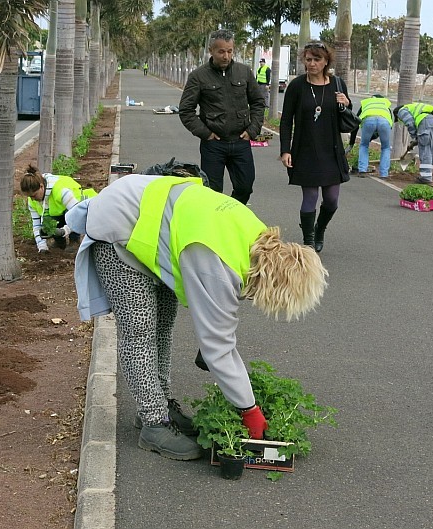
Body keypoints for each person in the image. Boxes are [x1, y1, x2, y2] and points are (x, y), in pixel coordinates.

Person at [65, 174, 328, 461]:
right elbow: (218, 343)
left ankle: (160, 403)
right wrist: (249, 410)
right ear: (274, 282)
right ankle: (153, 424)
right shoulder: (214, 263)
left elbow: (222, 308)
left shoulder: (256, 236)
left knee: (163, 325)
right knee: (139, 331)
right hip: (119, 225)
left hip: (158, 225)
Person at [179, 29, 265, 205]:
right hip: (213, 145)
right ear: (211, 50)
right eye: (221, 51)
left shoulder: (244, 72)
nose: (226, 56)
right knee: (212, 192)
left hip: (241, 142)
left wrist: (252, 130)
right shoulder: (198, 76)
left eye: (230, 51)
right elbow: (186, 110)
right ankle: (215, 227)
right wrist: (205, 133)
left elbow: (257, 102)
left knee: (245, 187)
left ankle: (230, 214)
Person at [280, 41, 351, 253]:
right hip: (305, 150)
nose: (312, 64)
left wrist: (346, 103)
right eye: (308, 59)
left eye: (317, 59)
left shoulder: (337, 84)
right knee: (309, 197)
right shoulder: (297, 86)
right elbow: (286, 120)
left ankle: (320, 229)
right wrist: (286, 149)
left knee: (331, 200)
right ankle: (309, 242)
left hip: (331, 151)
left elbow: (345, 114)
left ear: (326, 61)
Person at [20, 164, 97, 251]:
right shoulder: (32, 201)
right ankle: (60, 242)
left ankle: (74, 241)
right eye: (30, 197)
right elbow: (36, 225)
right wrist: (42, 247)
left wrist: (64, 231)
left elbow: (78, 216)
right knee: (48, 220)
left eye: (34, 195)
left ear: (41, 186)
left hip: (83, 207)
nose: (33, 199)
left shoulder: (61, 191)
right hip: (62, 211)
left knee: (69, 214)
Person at [394, 102, 433, 184]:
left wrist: (415, 136)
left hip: (425, 121)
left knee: (425, 149)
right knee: (431, 149)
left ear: (397, 114)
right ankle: (429, 173)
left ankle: (426, 177)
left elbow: (410, 123)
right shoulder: (412, 107)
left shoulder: (401, 111)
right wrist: (416, 139)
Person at [353, 93, 394, 178]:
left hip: (368, 120)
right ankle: (384, 174)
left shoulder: (367, 102)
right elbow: (390, 121)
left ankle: (362, 170)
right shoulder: (385, 103)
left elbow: (356, 121)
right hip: (384, 121)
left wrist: (351, 141)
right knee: (385, 147)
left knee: (364, 145)